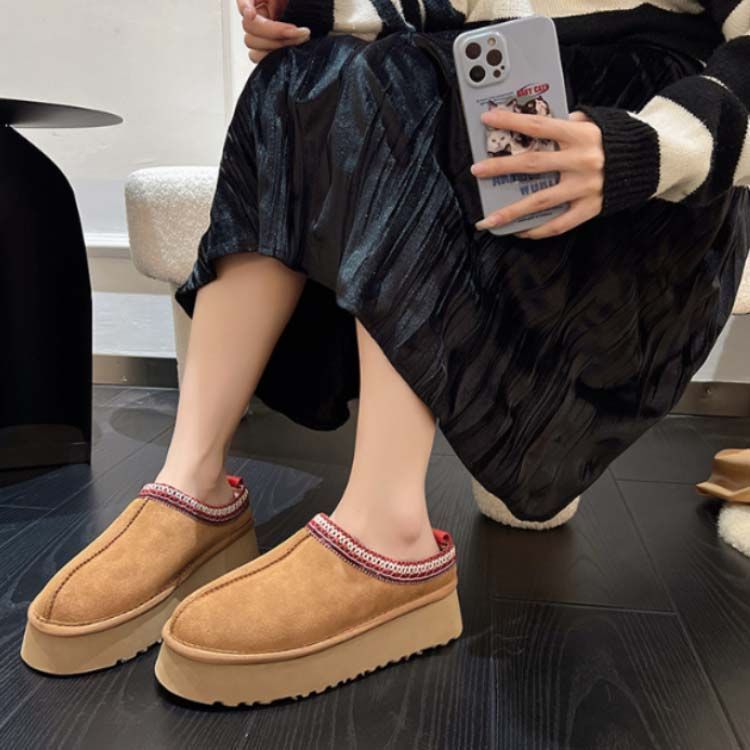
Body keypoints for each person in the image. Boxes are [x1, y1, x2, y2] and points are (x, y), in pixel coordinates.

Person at [21, 0, 749, 705]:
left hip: (655, 158)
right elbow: (463, 13)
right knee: (293, 77)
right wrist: (310, 13)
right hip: (517, 96)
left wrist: (645, 150)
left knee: (401, 86)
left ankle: (390, 530)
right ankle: (193, 485)